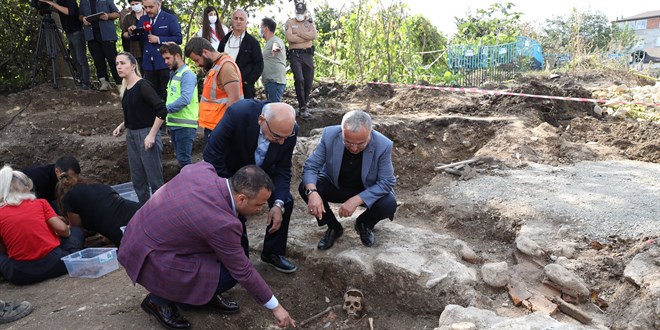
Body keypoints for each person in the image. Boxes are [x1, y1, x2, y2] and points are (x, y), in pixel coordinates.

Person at [118, 163, 296, 329]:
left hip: (137, 235)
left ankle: (201, 295)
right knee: (229, 274)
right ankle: (158, 300)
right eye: (259, 205)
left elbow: (188, 169)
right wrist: (276, 307)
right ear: (241, 199)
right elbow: (243, 270)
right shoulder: (221, 223)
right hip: (149, 256)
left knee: (226, 255)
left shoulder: (202, 170)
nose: (261, 209)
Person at [204, 100, 298, 273]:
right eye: (277, 136)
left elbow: (283, 168)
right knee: (234, 209)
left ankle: (272, 253)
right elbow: (212, 154)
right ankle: (237, 257)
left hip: (264, 172)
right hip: (231, 172)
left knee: (286, 201)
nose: (282, 142)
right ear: (261, 120)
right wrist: (234, 189)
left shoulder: (287, 131)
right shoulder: (238, 114)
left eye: (287, 137)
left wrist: (278, 204)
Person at [299, 110, 397, 249]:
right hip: (335, 185)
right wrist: (312, 192)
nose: (354, 148)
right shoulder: (330, 135)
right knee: (306, 187)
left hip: (365, 189)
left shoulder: (383, 145)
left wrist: (356, 200)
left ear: (370, 134)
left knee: (388, 203)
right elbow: (311, 166)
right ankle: (333, 227)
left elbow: (387, 182)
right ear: (342, 132)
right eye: (348, 142)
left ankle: (364, 224)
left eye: (360, 143)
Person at [0, 165, 84, 285]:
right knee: (76, 231)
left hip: (21, 275)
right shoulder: (39, 203)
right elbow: (63, 230)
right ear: (26, 186)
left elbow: (2, 247)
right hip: (57, 265)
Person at [112, 52, 166, 205]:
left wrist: (151, 135)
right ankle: (145, 211)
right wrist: (122, 126)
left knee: (155, 180)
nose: (119, 67)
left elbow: (161, 111)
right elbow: (138, 112)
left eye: (122, 63)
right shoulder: (127, 89)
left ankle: (160, 212)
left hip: (146, 135)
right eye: (117, 64)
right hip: (131, 136)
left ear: (133, 66)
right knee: (138, 180)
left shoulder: (143, 85)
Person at [184, 37, 243, 145]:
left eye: (197, 60)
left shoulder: (226, 67)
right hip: (214, 127)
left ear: (205, 52)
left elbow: (234, 99)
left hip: (220, 128)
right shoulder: (216, 66)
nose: (197, 64)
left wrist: (224, 128)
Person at [56, 174, 141, 247]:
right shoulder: (97, 186)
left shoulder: (69, 197)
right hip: (140, 212)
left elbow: (75, 227)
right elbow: (109, 213)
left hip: (127, 234)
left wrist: (62, 227)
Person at [129, 0, 183, 102]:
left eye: (150, 7)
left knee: (166, 93)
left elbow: (178, 39)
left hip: (164, 63)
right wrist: (133, 32)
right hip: (148, 64)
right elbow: (139, 38)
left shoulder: (169, 18)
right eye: (145, 7)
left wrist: (159, 39)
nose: (148, 10)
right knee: (150, 95)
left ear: (159, 4)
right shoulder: (143, 19)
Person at [160, 42, 198, 168]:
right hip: (176, 125)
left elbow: (185, 99)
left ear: (177, 56)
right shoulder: (174, 74)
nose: (165, 62)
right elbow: (172, 98)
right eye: (164, 59)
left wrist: (165, 111)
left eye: (167, 58)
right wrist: (168, 122)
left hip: (185, 125)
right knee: (181, 159)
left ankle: (191, 187)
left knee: (184, 160)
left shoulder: (187, 74)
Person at [39, 0, 91, 90]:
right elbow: (59, 10)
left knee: (80, 59)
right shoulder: (59, 2)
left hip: (77, 32)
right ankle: (81, 82)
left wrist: (53, 4)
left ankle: (86, 83)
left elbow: (69, 12)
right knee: (75, 60)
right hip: (69, 33)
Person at [218, 9, 263, 99]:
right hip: (224, 86)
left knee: (244, 111)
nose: (238, 21)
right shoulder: (224, 41)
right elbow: (217, 59)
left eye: (241, 19)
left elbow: (259, 64)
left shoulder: (252, 42)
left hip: (244, 88)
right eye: (236, 18)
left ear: (246, 22)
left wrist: (248, 81)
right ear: (232, 21)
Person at [79, 0, 121, 91]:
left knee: (112, 59)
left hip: (107, 34)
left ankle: (119, 83)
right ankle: (104, 82)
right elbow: (80, 15)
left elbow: (117, 13)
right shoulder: (83, 1)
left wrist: (108, 16)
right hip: (91, 35)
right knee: (98, 61)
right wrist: (83, 19)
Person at [285, 1, 317, 118]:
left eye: (301, 12)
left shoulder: (309, 23)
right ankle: (302, 106)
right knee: (299, 79)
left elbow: (313, 36)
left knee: (308, 81)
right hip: (295, 55)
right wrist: (305, 36)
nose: (299, 14)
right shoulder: (290, 22)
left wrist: (298, 33)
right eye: (298, 12)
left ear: (305, 12)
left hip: (308, 55)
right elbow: (289, 37)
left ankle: (305, 103)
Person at [260, 17, 287, 102]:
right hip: (270, 81)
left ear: (266, 29)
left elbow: (277, 45)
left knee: (274, 108)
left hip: (275, 81)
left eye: (261, 27)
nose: (259, 29)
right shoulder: (268, 43)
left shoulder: (275, 40)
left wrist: (275, 48)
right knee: (272, 107)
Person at [120, 0, 145, 74]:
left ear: (141, 3)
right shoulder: (127, 17)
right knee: (139, 70)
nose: (135, 6)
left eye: (137, 4)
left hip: (148, 46)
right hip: (135, 48)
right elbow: (124, 34)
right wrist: (130, 32)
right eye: (132, 4)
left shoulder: (149, 14)